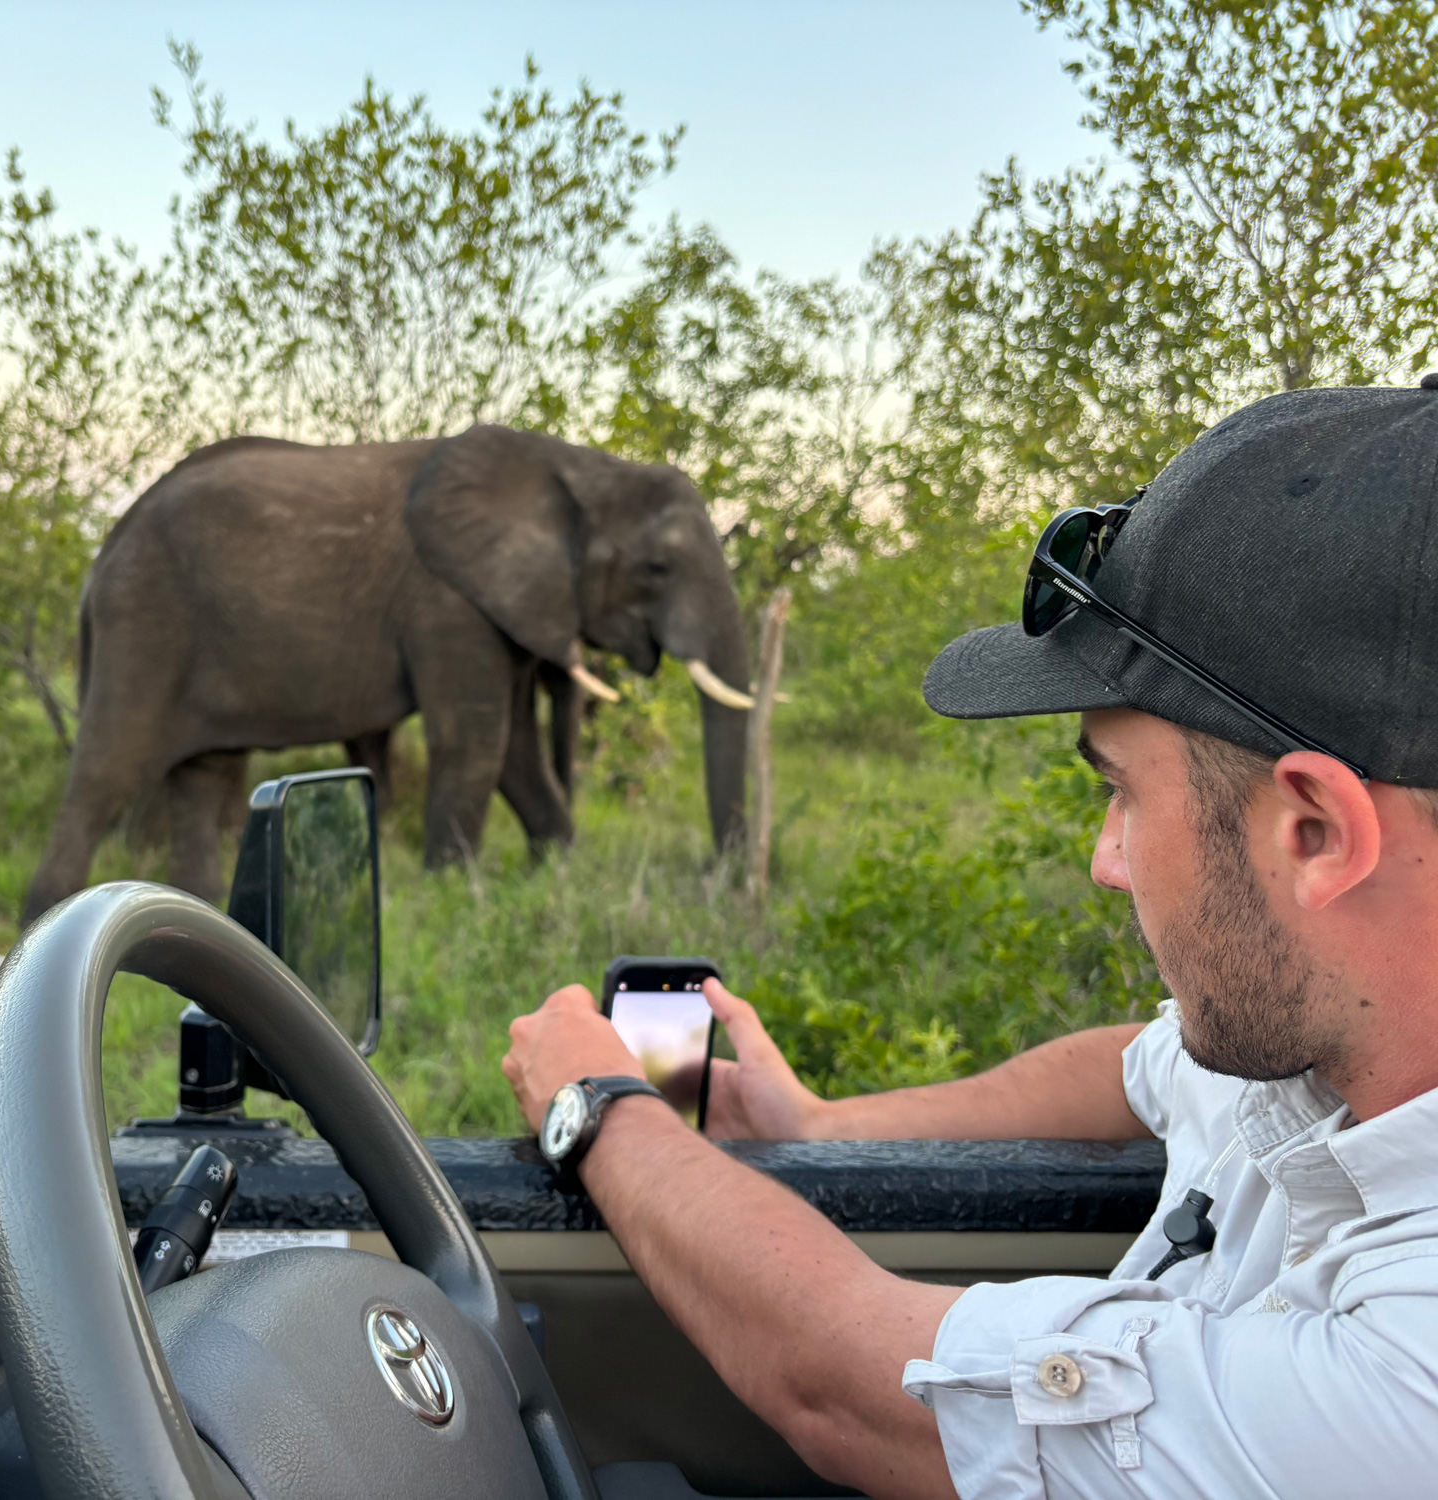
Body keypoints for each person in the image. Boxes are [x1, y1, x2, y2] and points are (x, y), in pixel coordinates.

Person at [501, 379, 1438, 1499]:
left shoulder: (1407, 1373)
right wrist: (825, 1124)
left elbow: (849, 1387)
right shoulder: (1326, 1048)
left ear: (1313, 831)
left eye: (1123, 795)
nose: (1105, 858)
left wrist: (598, 1110)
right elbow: (1138, 1067)